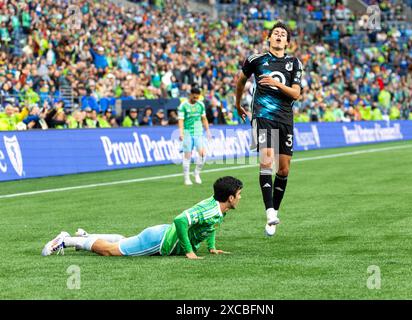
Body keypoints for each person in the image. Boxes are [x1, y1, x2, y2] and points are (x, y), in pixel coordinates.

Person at [41, 176, 243, 260]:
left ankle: (86, 236)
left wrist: (211, 247)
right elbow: (181, 220)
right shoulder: (210, 210)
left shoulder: (218, 208)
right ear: (230, 197)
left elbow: (211, 226)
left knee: (123, 241)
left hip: (161, 235)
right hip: (160, 241)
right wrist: (189, 251)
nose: (241, 198)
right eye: (239, 194)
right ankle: (66, 240)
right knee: (111, 252)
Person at [235, 22, 302, 236]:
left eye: (283, 34)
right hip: (262, 116)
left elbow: (296, 94)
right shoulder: (256, 60)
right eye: (276, 34)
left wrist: (276, 83)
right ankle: (270, 212)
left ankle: (274, 212)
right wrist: (237, 103)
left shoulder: (294, 63)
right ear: (269, 38)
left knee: (283, 169)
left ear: (287, 41)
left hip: (285, 118)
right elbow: (241, 80)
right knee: (266, 161)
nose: (279, 36)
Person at [178, 87, 211, 185]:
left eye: (198, 97)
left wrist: (208, 130)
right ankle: (186, 178)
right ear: (190, 95)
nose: (196, 98)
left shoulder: (200, 105)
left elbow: (204, 119)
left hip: (198, 132)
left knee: (203, 154)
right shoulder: (183, 105)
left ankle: (196, 173)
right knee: (187, 155)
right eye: (194, 97)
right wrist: (181, 133)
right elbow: (180, 120)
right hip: (187, 132)